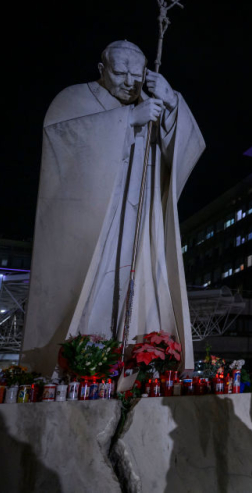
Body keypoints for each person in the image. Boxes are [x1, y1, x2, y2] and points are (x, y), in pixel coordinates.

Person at [21, 40, 204, 374]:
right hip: (97, 219)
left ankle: (140, 356)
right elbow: (63, 144)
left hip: (140, 221)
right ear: (101, 70)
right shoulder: (74, 100)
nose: (130, 82)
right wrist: (127, 119)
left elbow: (188, 148)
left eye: (138, 74)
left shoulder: (151, 102)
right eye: (120, 73)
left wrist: (171, 100)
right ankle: (81, 360)